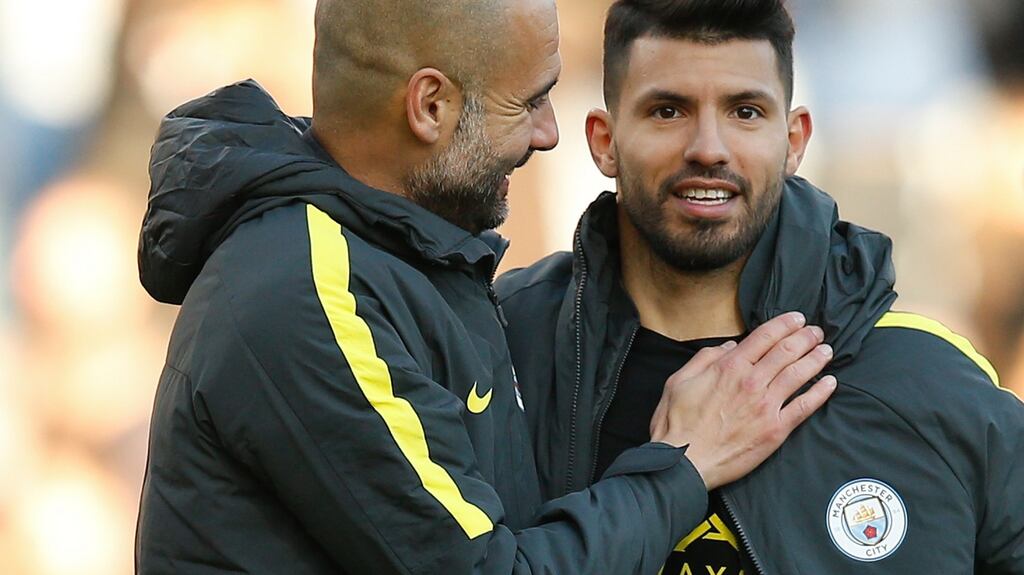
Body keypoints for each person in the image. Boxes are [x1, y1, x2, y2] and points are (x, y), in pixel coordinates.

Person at [134, 0, 837, 573]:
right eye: (528, 102)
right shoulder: (310, 294)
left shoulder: (405, 252)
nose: (547, 134)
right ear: (430, 106)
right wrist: (681, 464)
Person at [496, 0, 1024, 573]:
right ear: (603, 141)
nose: (708, 149)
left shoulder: (926, 381)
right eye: (668, 111)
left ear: (794, 140)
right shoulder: (501, 348)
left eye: (745, 112)